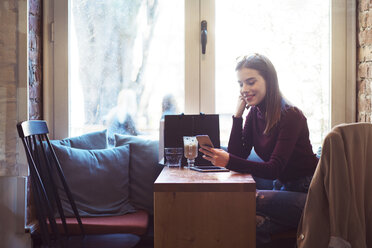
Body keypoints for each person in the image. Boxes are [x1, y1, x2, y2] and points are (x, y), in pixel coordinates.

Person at [199, 53, 318, 246]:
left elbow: (273, 169)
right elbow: (239, 154)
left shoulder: (291, 115)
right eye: (240, 84)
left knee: (243, 200)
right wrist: (237, 115)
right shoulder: (254, 113)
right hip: (282, 189)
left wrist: (228, 160)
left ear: (269, 81)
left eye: (251, 82)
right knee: (243, 222)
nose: (245, 89)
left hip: (310, 195)